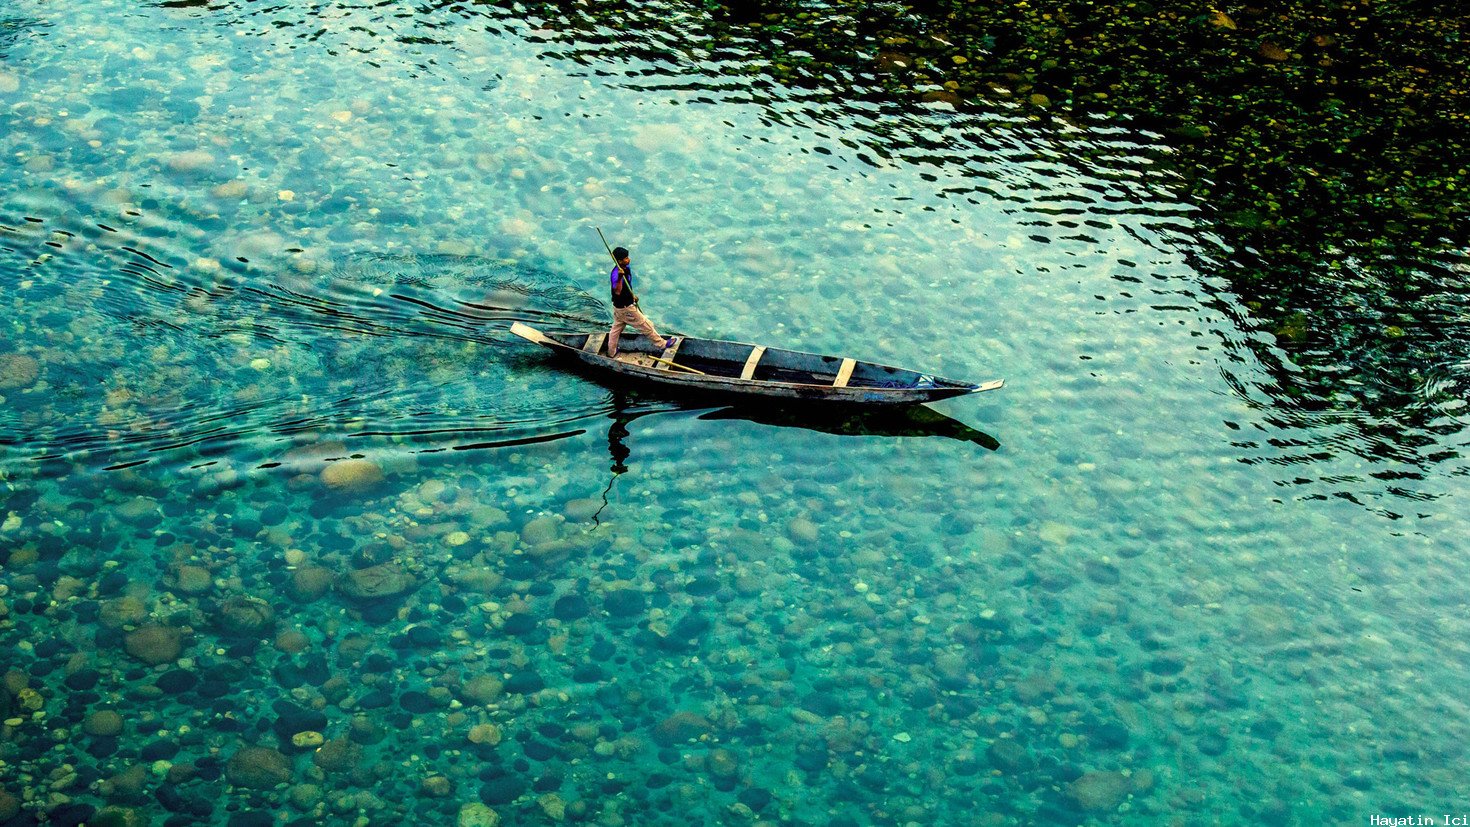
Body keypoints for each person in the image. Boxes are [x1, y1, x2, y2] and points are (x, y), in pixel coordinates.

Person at [606, 246, 675, 357]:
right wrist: (619, 277)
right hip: (625, 308)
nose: (628, 259)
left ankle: (611, 351)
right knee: (646, 325)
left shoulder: (626, 267)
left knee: (616, 329)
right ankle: (662, 344)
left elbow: (627, 285)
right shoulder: (616, 274)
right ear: (619, 261)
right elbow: (618, 291)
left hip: (619, 307)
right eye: (625, 258)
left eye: (628, 257)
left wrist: (632, 295)